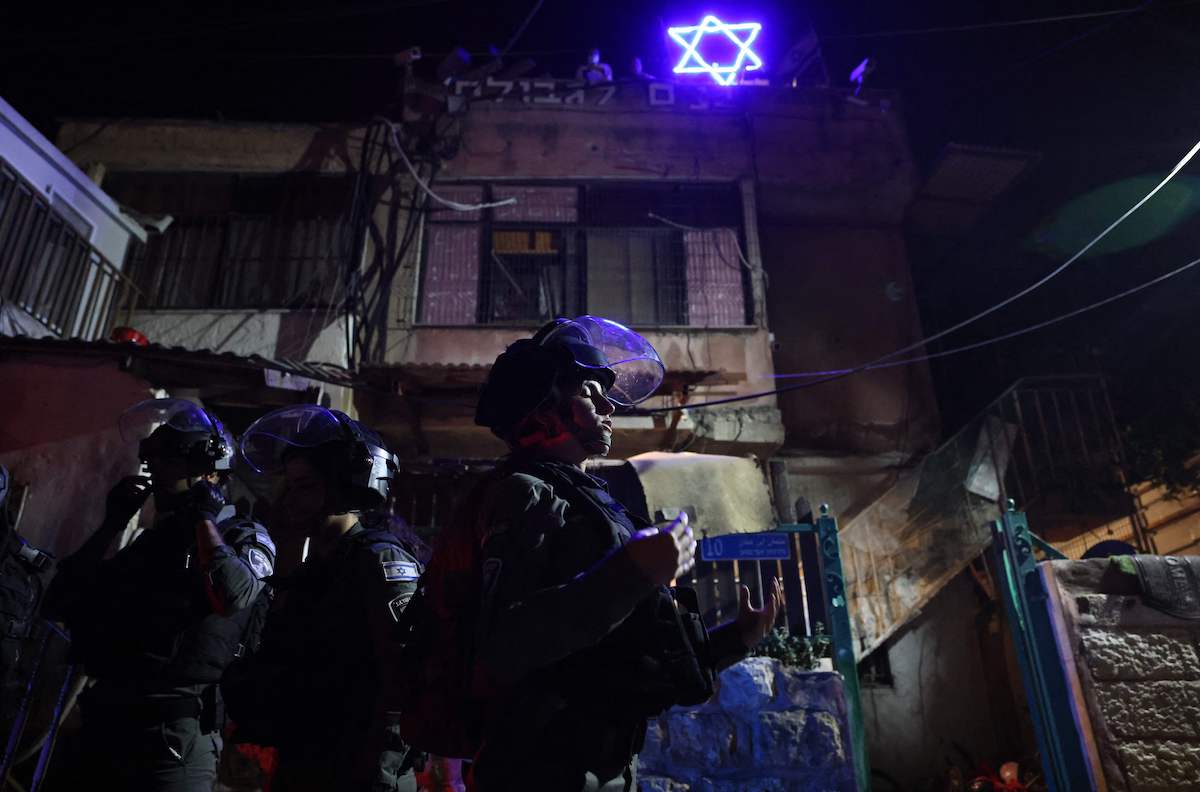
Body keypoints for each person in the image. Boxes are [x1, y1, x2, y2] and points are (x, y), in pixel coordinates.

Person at [422, 316, 782, 791]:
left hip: (597, 768)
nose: (610, 406)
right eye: (592, 393)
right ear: (546, 407)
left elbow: (628, 656)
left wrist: (736, 639)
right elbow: (507, 645)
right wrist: (633, 572)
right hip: (537, 772)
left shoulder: (583, 498)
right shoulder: (521, 494)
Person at [44, 398, 274, 792]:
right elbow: (59, 601)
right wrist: (110, 526)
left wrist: (204, 518)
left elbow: (232, 594)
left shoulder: (242, 537)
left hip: (171, 740)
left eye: (169, 463)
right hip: (105, 725)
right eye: (155, 463)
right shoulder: (151, 543)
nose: (156, 475)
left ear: (209, 474)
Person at [224, 405, 422, 792]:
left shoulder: (378, 561)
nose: (289, 499)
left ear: (347, 485)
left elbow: (407, 677)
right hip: (308, 761)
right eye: (289, 485)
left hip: (360, 772)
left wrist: (380, 772)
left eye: (305, 486)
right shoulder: (313, 569)